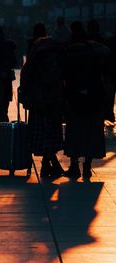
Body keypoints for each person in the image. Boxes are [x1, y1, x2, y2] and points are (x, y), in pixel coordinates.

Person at [62, 21, 110, 181]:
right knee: (92, 130)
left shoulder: (68, 51)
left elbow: (64, 74)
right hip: (95, 96)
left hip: (74, 96)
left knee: (75, 130)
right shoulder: (97, 49)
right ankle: (87, 166)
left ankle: (74, 165)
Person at [20, 36, 64, 178]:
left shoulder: (34, 59)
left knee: (42, 133)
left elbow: (25, 77)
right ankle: (51, 165)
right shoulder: (56, 58)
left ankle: (47, 165)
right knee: (51, 132)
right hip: (53, 102)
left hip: (37, 102)